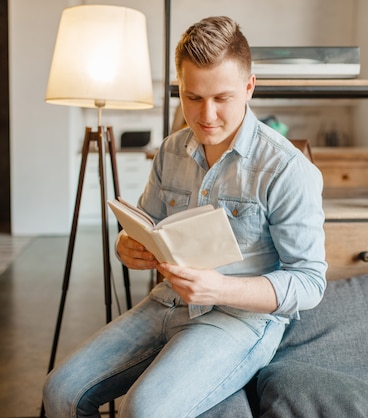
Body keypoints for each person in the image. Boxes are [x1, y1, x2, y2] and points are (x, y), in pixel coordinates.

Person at [42, 16, 327, 418]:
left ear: (249, 87)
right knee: (60, 390)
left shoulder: (286, 169)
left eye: (222, 98)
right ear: (179, 89)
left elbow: (310, 282)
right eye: (193, 98)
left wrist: (219, 289)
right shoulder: (171, 151)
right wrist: (127, 247)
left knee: (143, 411)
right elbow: (146, 226)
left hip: (239, 319)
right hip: (165, 302)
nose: (206, 115)